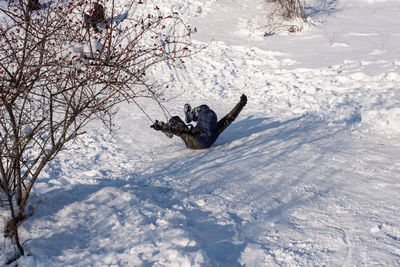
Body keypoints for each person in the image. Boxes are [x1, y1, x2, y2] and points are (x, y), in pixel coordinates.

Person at [151, 94, 247, 149]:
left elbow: (181, 132)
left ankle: (167, 132)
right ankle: (189, 116)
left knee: (175, 119)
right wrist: (241, 104)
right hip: (197, 135)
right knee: (204, 108)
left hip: (191, 143)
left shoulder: (197, 135)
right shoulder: (214, 130)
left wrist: (162, 128)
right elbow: (228, 118)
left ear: (202, 121)